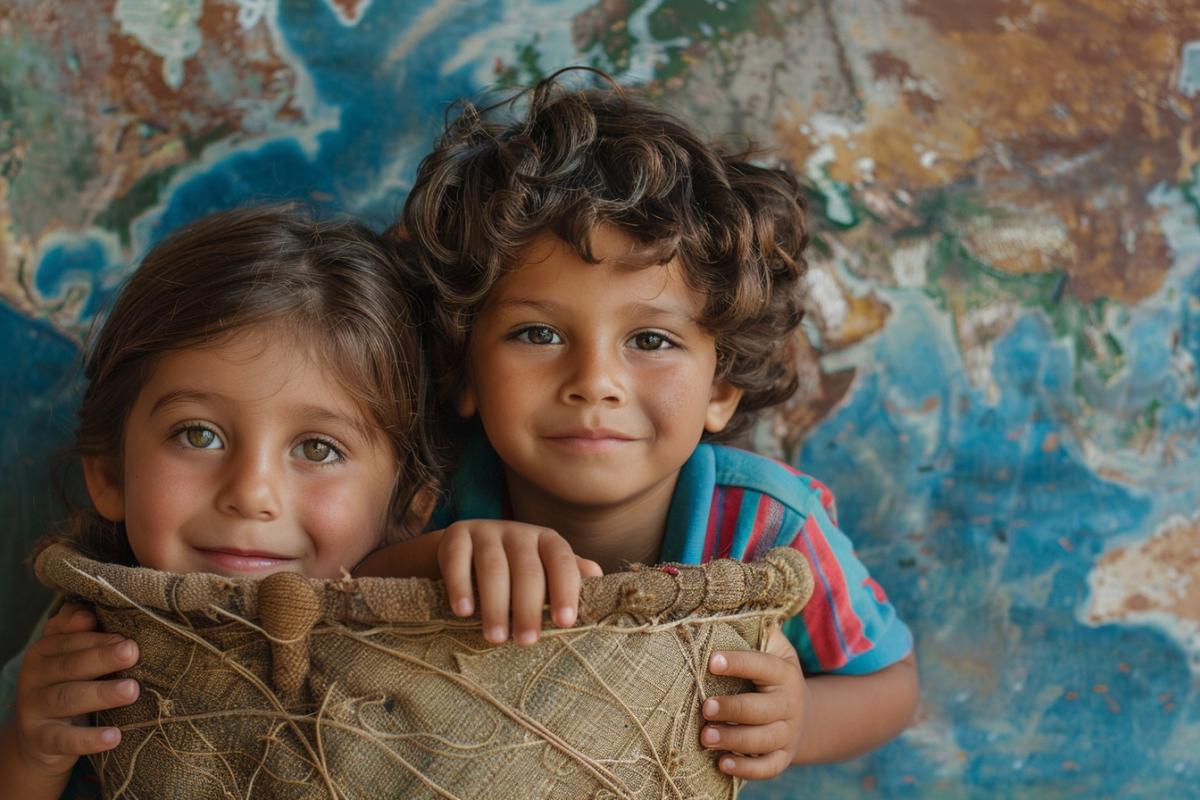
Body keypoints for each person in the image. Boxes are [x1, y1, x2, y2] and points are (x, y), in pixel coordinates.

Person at [359, 69, 919, 781]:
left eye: (650, 341)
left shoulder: (772, 529)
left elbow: (892, 684)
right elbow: (331, 600)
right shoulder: (428, 498)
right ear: (463, 369)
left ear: (721, 386)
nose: (594, 381)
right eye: (537, 334)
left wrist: (799, 721)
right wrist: (432, 559)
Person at [0, 206, 449, 799]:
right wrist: (32, 756)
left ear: (409, 506)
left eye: (318, 448)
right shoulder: (83, 639)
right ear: (110, 473)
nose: (250, 494)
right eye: (198, 435)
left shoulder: (424, 641)